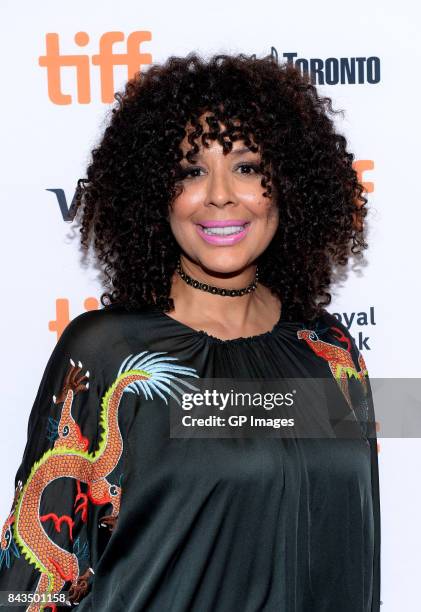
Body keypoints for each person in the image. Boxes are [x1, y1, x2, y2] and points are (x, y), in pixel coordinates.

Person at [0, 51, 380, 611]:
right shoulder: (106, 351)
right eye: (191, 170)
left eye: (248, 167)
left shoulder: (328, 349)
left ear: (290, 183)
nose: (221, 193)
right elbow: (33, 590)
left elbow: (359, 554)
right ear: (157, 190)